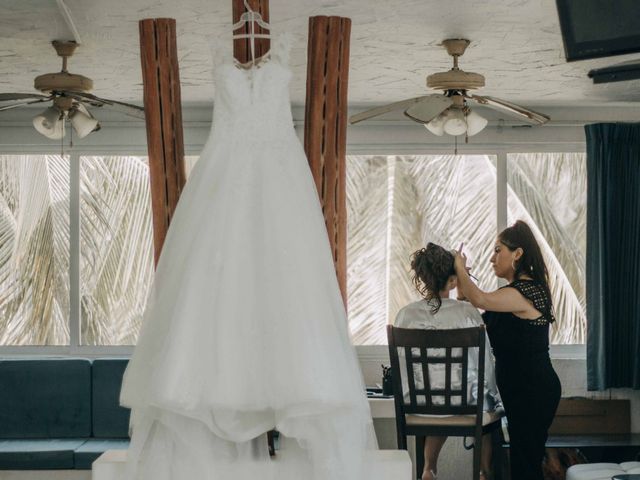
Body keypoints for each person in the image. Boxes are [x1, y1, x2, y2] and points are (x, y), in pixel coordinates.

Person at [119, 32, 376, 480]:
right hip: (226, 181)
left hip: (278, 182)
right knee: (219, 287)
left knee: (283, 288)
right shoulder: (226, 56)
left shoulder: (279, 55)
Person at [453, 220, 562, 480]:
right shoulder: (510, 295)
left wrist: (459, 266)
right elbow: (477, 315)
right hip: (520, 391)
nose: (492, 258)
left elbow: (480, 299)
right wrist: (461, 287)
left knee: (525, 465)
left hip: (533, 390)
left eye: (497, 250)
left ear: (518, 253)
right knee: (523, 464)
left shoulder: (527, 291)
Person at [395, 243, 502, 480]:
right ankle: (485, 472)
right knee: (487, 403)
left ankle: (429, 468)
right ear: (453, 281)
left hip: (418, 404)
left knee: (439, 406)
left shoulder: (405, 315)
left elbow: (402, 369)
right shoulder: (467, 313)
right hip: (462, 403)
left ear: (422, 277)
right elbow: (483, 365)